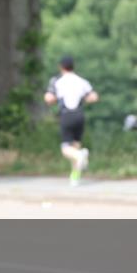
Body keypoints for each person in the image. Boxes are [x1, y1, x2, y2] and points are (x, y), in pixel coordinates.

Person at [44, 55, 99, 186]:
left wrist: (53, 99)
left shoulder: (57, 81)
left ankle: (80, 157)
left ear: (61, 67)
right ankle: (75, 177)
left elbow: (49, 98)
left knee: (67, 149)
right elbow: (93, 96)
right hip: (79, 115)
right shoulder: (81, 81)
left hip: (66, 115)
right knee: (76, 145)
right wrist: (85, 99)